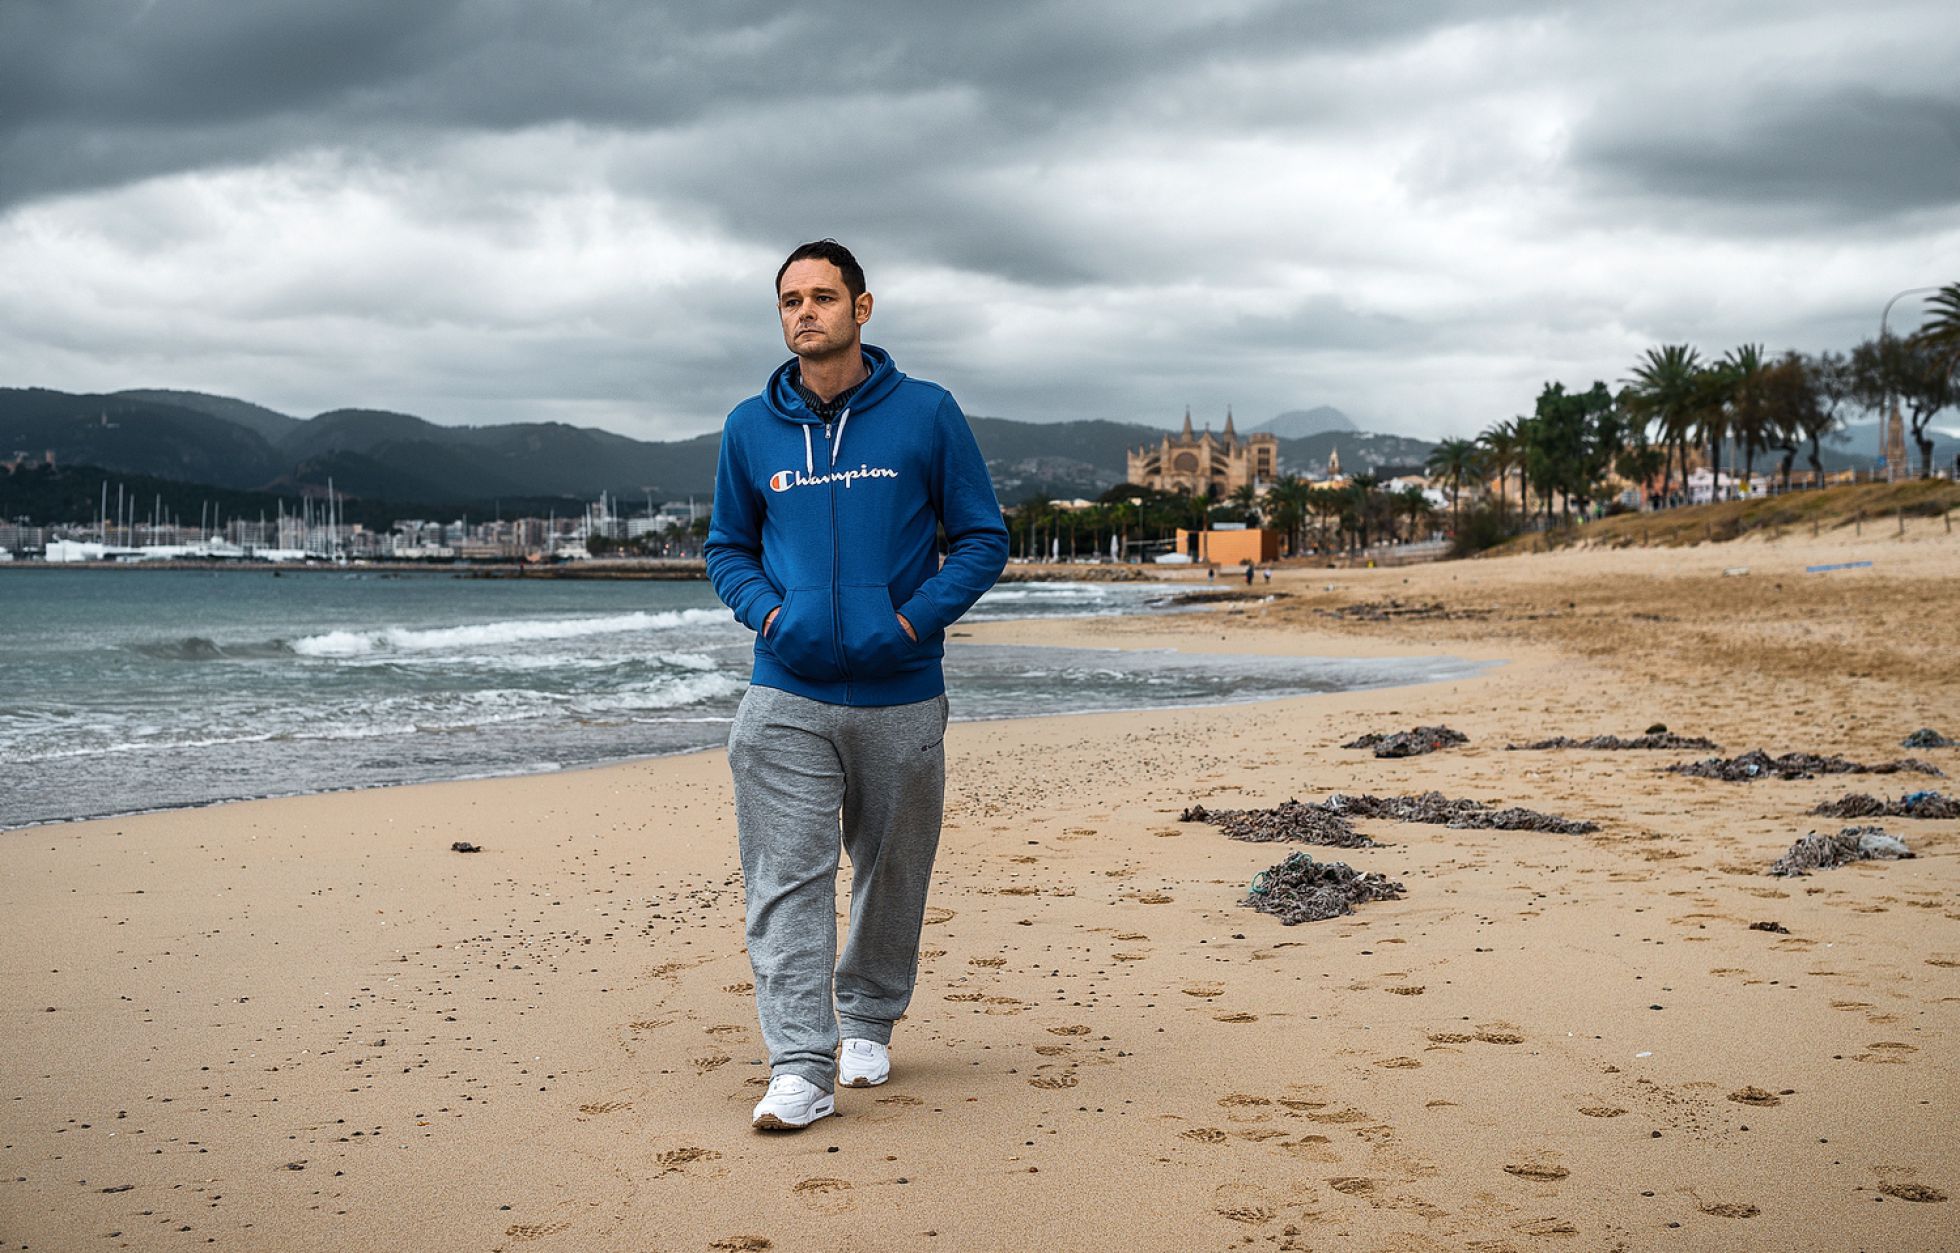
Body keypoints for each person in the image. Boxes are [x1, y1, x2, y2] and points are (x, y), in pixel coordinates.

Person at [704, 240, 1009, 1131]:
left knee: (890, 865)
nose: (806, 312)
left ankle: (868, 1015)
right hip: (785, 690)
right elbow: (728, 546)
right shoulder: (748, 428)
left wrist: (909, 622)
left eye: (824, 297)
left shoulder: (926, 414)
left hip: (902, 690)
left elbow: (983, 537)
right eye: (791, 300)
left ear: (862, 309)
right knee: (785, 880)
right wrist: (769, 615)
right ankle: (800, 1064)